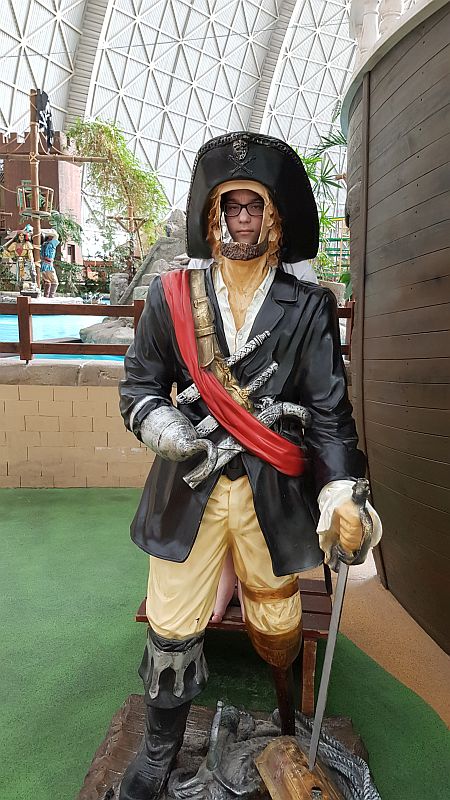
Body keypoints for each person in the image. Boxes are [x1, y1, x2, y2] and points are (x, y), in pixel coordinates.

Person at [118, 132, 381, 800]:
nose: (241, 218)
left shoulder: (309, 306)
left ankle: (287, 723)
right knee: (172, 624)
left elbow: (328, 412)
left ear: (274, 217)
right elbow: (140, 385)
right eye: (230, 206)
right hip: (188, 488)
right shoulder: (171, 296)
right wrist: (163, 424)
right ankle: (157, 755)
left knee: (277, 622)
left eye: (253, 206)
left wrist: (342, 492)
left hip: (272, 491)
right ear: (213, 215)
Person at [40, 232, 59, 297]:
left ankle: (46, 296)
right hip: (48, 265)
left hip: (43, 265)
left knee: (47, 281)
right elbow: (56, 235)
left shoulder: (43, 245)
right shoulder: (51, 244)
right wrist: (48, 233)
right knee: (55, 281)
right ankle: (51, 296)